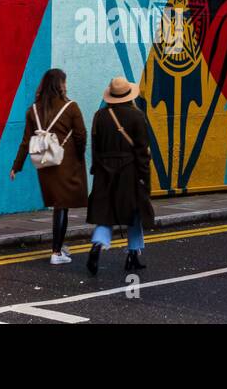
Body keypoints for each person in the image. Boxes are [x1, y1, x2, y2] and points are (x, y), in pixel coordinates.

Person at [10, 67, 87, 263]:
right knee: (63, 206)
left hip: (45, 164)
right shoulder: (71, 107)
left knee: (59, 206)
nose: (66, 85)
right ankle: (56, 252)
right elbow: (81, 135)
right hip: (65, 162)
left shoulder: (33, 110)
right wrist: (79, 156)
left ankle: (59, 247)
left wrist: (16, 166)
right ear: (59, 85)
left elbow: (26, 141)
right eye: (64, 82)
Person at [86, 75, 155, 275]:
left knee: (106, 215)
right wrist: (145, 179)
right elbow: (142, 151)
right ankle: (133, 254)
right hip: (129, 172)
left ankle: (97, 245)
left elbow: (96, 148)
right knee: (134, 213)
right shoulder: (137, 116)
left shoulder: (100, 116)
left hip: (104, 173)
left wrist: (96, 171)